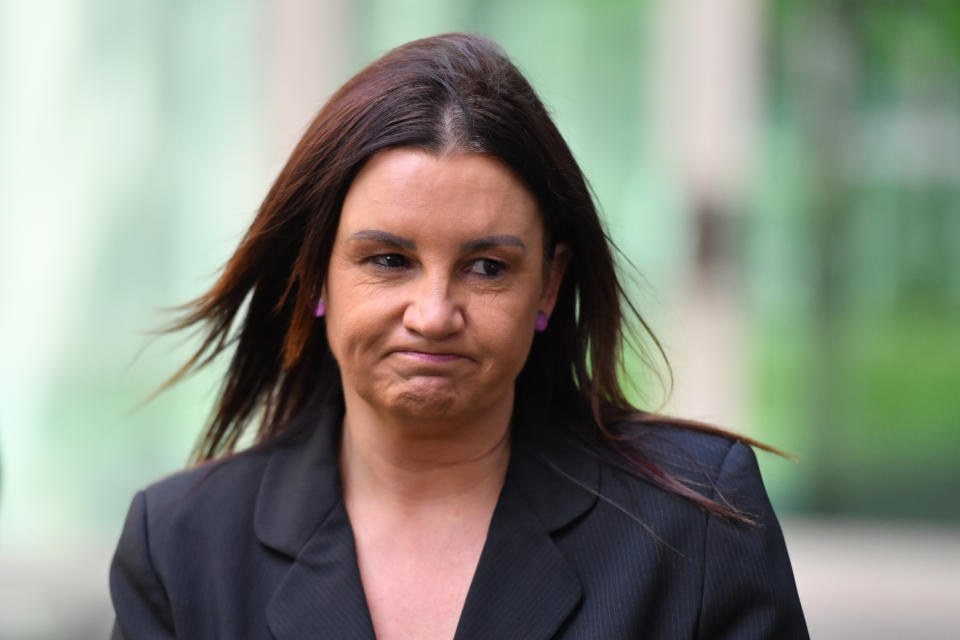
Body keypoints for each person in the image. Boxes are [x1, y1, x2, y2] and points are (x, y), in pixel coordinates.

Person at [109, 33, 808, 639]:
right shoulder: (181, 546)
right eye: (388, 260)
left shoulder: (692, 524)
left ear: (547, 285)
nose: (435, 313)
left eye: (486, 267)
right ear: (317, 275)